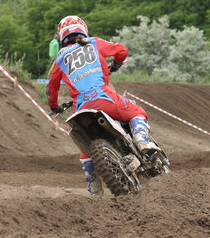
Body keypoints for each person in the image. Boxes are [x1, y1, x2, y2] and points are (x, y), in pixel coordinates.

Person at [46, 15, 157, 196]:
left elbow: (51, 87)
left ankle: (92, 182)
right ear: (83, 29)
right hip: (104, 96)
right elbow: (122, 50)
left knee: (86, 144)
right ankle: (142, 140)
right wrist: (117, 64)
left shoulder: (59, 57)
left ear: (62, 35)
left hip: (80, 107)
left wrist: (54, 106)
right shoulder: (93, 42)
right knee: (137, 112)